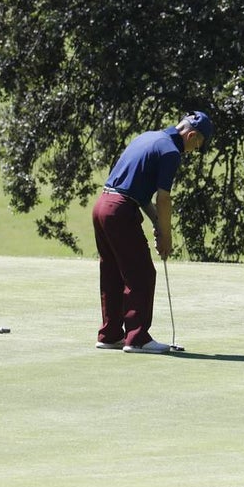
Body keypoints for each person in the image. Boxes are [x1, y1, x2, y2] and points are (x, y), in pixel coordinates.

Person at [92, 111, 213, 354]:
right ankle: (137, 338)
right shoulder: (170, 151)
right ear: (191, 135)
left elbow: (140, 194)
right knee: (142, 273)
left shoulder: (147, 137)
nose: (194, 151)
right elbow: (164, 198)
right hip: (120, 211)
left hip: (102, 206)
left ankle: (111, 334)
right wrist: (166, 235)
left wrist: (158, 225)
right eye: (198, 145)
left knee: (113, 273)